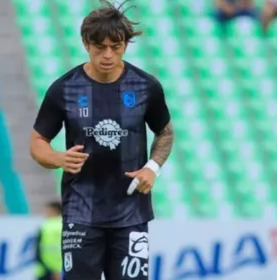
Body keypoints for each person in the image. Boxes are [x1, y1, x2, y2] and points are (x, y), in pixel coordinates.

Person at [29, 1, 174, 279]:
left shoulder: (146, 86)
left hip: (131, 214)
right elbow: (37, 142)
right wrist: (59, 158)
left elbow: (165, 132)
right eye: (100, 47)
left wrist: (152, 168)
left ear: (125, 45)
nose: (108, 54)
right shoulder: (65, 88)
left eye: (116, 46)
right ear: (86, 44)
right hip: (81, 213)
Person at [35, 201, 63, 280]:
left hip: (47, 271)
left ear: (54, 211)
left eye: (47, 210)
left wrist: (55, 270)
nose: (45, 213)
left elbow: (39, 251)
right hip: (63, 270)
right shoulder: (67, 225)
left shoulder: (46, 227)